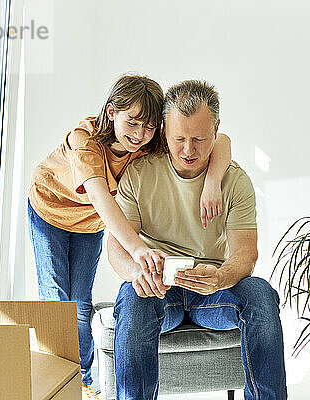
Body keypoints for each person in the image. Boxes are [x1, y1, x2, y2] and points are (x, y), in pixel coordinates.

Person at [27, 74, 233, 392]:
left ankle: (82, 384)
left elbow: (220, 141)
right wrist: (139, 250)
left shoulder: (148, 140)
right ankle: (56, 386)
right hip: (50, 210)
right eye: (133, 123)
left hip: (91, 222)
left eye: (149, 127)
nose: (140, 135)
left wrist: (212, 182)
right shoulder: (85, 140)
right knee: (56, 298)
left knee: (80, 303)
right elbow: (100, 196)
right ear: (112, 112)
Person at [108, 79, 288, 400]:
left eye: (199, 139)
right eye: (179, 138)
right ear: (163, 130)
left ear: (216, 130)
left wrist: (220, 277)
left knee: (261, 293)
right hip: (161, 291)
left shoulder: (234, 181)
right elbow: (117, 248)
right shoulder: (140, 173)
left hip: (213, 292)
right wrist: (139, 275)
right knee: (132, 296)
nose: (188, 150)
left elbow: (245, 254)